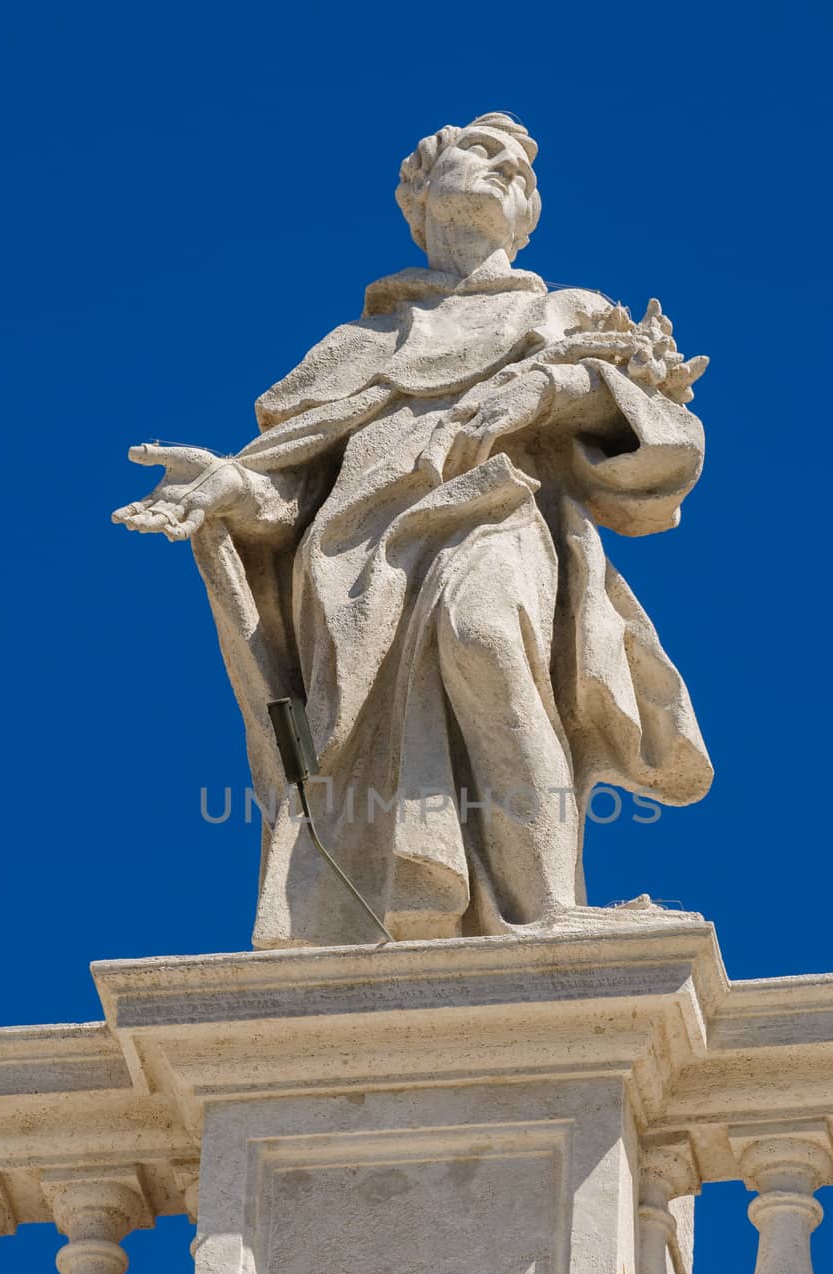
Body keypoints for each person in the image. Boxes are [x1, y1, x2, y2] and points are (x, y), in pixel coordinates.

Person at [112, 113, 713, 947]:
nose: (505, 168)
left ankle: (545, 903)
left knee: (484, 637)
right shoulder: (356, 344)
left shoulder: (572, 313)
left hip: (494, 510)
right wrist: (233, 486)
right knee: (371, 734)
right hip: (357, 567)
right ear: (419, 195)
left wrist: (543, 393)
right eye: (480, 153)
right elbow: (287, 493)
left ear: (528, 215)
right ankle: (414, 902)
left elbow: (668, 443)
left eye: (521, 171)